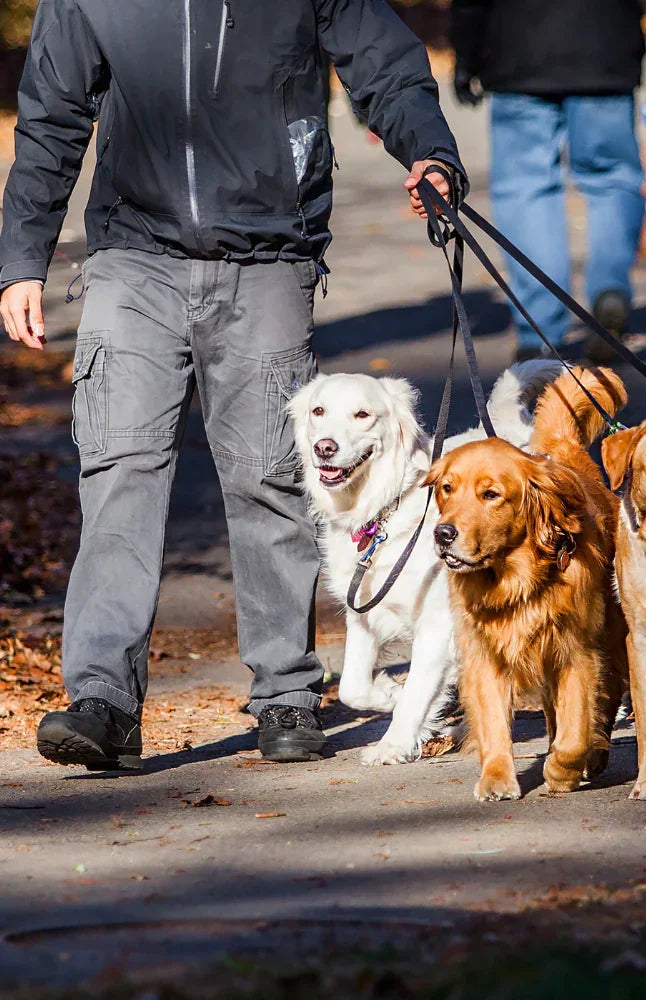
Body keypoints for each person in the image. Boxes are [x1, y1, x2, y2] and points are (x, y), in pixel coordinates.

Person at [0, 0, 463, 769]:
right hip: (131, 256)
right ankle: (102, 699)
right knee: (119, 471)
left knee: (271, 478)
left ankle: (285, 693)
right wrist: (22, 259)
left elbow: (383, 64)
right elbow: (51, 113)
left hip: (269, 252)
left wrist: (432, 155)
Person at [451, 0, 646, 362]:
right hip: (605, 49)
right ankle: (610, 287)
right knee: (612, 180)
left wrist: (467, 53)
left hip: (518, 53)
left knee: (526, 189)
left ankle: (538, 326)